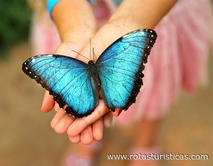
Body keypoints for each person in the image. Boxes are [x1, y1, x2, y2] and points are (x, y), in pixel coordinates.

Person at [28, 0, 213, 165]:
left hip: (156, 12)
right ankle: (87, 144)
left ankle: (144, 145)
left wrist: (129, 23)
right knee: (86, 117)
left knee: (155, 96)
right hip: (76, 13)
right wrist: (76, 26)